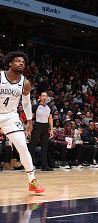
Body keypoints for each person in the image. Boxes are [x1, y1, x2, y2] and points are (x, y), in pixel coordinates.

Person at [0, 51, 45, 193]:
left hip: (10, 116)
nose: (21, 63)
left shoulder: (25, 83)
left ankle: (32, 181)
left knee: (23, 148)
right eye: (17, 61)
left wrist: (30, 121)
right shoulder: (0, 76)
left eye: (23, 62)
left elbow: (26, 103)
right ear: (10, 63)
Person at [29, 91, 53, 170]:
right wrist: (29, 127)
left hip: (45, 127)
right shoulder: (35, 106)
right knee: (33, 145)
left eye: (46, 96)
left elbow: (50, 119)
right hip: (37, 126)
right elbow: (31, 117)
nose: (44, 97)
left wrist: (51, 130)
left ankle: (44, 165)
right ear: (40, 97)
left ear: (47, 98)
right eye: (43, 96)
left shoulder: (49, 107)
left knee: (45, 147)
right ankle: (29, 165)